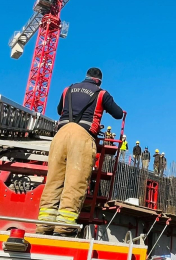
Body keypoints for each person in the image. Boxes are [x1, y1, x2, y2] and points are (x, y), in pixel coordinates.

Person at [35, 67, 123, 237]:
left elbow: (60, 110)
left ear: (86, 77)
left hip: (60, 136)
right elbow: (118, 114)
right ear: (99, 81)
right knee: (74, 183)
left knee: (53, 181)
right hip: (82, 137)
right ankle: (63, 228)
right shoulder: (102, 93)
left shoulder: (68, 89)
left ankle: (44, 225)